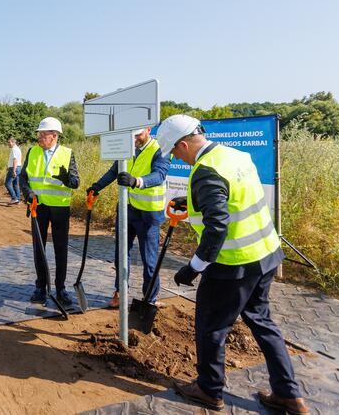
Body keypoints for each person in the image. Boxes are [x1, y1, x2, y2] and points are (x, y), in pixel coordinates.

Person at [156, 114, 308, 414]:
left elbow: (217, 228)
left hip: (233, 266)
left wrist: (194, 267)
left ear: (184, 144)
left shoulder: (205, 171)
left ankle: (209, 390)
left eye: (174, 151)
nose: (175, 157)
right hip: (264, 256)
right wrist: (193, 201)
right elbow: (234, 198)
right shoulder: (234, 155)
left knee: (212, 327)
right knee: (263, 323)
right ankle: (289, 394)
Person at [87, 127, 171, 308]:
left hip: (148, 214)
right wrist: (97, 186)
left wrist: (137, 181)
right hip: (127, 210)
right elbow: (114, 171)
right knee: (121, 254)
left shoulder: (159, 149)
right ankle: (120, 292)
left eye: (138, 134)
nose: (134, 138)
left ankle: (150, 298)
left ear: (148, 129)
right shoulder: (127, 148)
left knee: (149, 260)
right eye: (131, 134)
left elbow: (159, 174)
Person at [19, 117, 80, 306]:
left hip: (60, 209)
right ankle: (40, 287)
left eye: (43, 134)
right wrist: (28, 193)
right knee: (39, 248)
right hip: (38, 208)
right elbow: (23, 178)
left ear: (54, 136)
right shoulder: (32, 152)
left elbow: (76, 183)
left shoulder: (67, 153)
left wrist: (66, 179)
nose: (39, 137)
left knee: (61, 249)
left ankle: (60, 288)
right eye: (39, 134)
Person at [5, 137, 22, 205]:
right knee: (15, 184)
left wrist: (13, 170)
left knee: (7, 183)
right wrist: (9, 167)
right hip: (18, 167)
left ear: (13, 142)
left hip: (14, 168)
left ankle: (14, 198)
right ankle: (17, 198)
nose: (8, 144)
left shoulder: (14, 149)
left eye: (9, 142)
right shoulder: (17, 149)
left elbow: (15, 160)